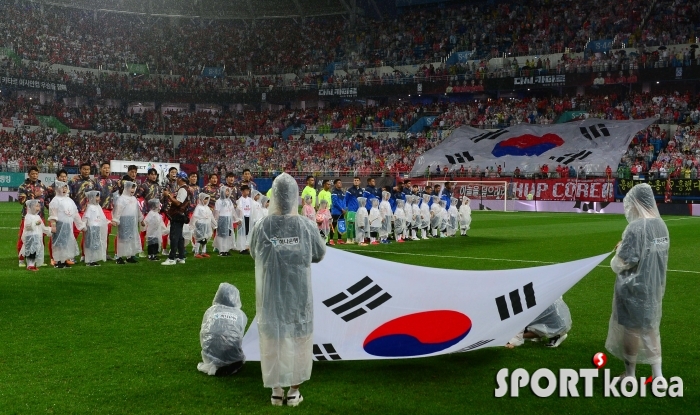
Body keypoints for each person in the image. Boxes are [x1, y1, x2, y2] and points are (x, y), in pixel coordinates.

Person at [250, 173, 326, 407]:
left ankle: (276, 389)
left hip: (271, 291)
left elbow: (254, 253)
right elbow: (319, 253)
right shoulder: (305, 225)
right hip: (298, 290)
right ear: (295, 197)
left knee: (273, 336)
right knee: (299, 335)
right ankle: (294, 390)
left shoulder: (263, 225)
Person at [606, 183, 669, 383]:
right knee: (651, 328)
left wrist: (616, 256)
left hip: (633, 288)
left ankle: (630, 374)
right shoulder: (661, 225)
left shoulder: (636, 227)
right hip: (654, 287)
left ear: (636, 203)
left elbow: (625, 261)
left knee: (631, 330)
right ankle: (657, 374)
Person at [197, 283, 248, 376]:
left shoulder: (210, 310)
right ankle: (231, 363)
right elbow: (239, 335)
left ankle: (214, 360)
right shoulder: (240, 314)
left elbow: (204, 331)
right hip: (230, 353)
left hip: (209, 351)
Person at [506, 297, 572, 348]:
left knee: (520, 333)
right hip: (556, 315)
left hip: (556, 324)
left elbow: (521, 321)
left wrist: (511, 340)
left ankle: (557, 335)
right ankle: (538, 334)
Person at [48, 180, 85, 269]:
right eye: (62, 187)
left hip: (68, 225)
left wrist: (80, 225)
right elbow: (53, 214)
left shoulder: (69, 200)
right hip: (59, 224)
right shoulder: (55, 200)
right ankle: (58, 261)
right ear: (57, 188)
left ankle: (64, 260)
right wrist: (53, 226)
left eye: (65, 187)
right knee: (58, 243)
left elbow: (75, 213)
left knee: (66, 243)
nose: (64, 189)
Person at [17, 166, 49, 267]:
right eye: (32, 174)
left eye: (36, 173)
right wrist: (34, 194)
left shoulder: (42, 185)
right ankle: (21, 259)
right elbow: (22, 201)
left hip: (40, 216)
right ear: (29, 174)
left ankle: (39, 259)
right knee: (25, 237)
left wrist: (52, 209)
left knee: (40, 238)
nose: (35, 176)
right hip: (28, 217)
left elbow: (46, 200)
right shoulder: (23, 186)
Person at [162, 172, 192, 265]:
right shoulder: (187, 189)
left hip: (177, 215)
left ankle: (172, 258)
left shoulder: (183, 189)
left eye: (178, 177)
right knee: (179, 237)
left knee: (174, 236)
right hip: (181, 215)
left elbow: (178, 203)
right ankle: (181, 256)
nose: (177, 179)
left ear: (181, 179)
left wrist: (168, 195)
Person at [112, 181, 143, 264]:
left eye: (133, 188)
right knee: (123, 239)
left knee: (131, 238)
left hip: (132, 221)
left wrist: (141, 219)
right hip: (124, 221)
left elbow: (138, 210)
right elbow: (118, 210)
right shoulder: (121, 199)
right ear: (126, 188)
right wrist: (115, 219)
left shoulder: (134, 199)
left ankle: (130, 256)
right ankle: (119, 257)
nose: (132, 190)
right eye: (131, 188)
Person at [95, 162, 118, 259]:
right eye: (104, 168)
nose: (107, 169)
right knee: (96, 233)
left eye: (108, 168)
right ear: (100, 169)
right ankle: (95, 253)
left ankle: (105, 252)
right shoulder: (95, 181)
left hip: (108, 210)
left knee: (107, 233)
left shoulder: (113, 182)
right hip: (98, 210)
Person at [20, 199, 51, 271]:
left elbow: (42, 227)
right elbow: (28, 226)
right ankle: (30, 265)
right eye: (36, 206)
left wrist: (49, 230)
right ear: (31, 207)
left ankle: (32, 264)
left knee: (35, 251)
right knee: (30, 251)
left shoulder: (37, 217)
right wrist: (35, 224)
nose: (38, 208)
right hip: (30, 236)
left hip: (37, 236)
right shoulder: (28, 216)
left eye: (39, 206)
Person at [82, 191, 109, 266]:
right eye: (96, 197)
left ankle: (93, 259)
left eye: (98, 197)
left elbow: (102, 218)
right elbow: (86, 217)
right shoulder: (90, 207)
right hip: (91, 228)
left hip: (97, 228)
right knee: (90, 244)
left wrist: (108, 222)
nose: (98, 199)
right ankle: (89, 260)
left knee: (95, 245)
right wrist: (83, 225)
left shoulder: (98, 207)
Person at [191, 194, 216, 258]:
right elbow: (195, 216)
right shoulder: (198, 207)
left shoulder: (207, 208)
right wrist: (194, 224)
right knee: (199, 239)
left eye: (207, 199)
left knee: (205, 239)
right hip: (200, 225)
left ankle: (203, 252)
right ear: (201, 199)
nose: (206, 201)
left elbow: (211, 216)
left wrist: (215, 224)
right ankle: (196, 253)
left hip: (206, 225)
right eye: (205, 199)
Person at [214, 187, 235, 257]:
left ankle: (226, 250)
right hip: (222, 219)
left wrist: (235, 219)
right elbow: (217, 212)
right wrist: (216, 221)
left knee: (228, 235)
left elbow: (232, 211)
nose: (227, 193)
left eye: (228, 191)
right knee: (221, 235)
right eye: (226, 191)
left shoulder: (229, 201)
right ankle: (221, 250)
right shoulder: (218, 201)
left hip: (228, 219)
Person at [344, 177, 363, 244]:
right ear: (353, 181)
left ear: (360, 182)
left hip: (358, 210)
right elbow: (345, 199)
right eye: (355, 180)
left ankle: (355, 239)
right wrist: (345, 208)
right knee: (350, 224)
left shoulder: (361, 190)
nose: (356, 181)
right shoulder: (350, 190)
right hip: (351, 210)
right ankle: (349, 239)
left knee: (356, 225)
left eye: (357, 180)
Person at [329, 179, 346, 246]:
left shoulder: (342, 192)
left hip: (342, 212)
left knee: (340, 225)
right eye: (339, 183)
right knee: (333, 225)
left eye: (340, 182)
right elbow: (335, 202)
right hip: (336, 212)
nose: (340, 184)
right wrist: (341, 209)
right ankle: (331, 240)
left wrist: (344, 208)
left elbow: (344, 201)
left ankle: (339, 239)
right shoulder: (334, 192)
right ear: (335, 184)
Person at [238, 185, 253, 254]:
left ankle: (246, 247)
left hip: (248, 217)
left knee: (247, 232)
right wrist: (240, 219)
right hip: (243, 217)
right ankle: (241, 248)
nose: (247, 192)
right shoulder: (240, 200)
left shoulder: (250, 199)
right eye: (246, 190)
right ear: (242, 191)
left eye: (248, 190)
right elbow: (240, 210)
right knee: (242, 233)